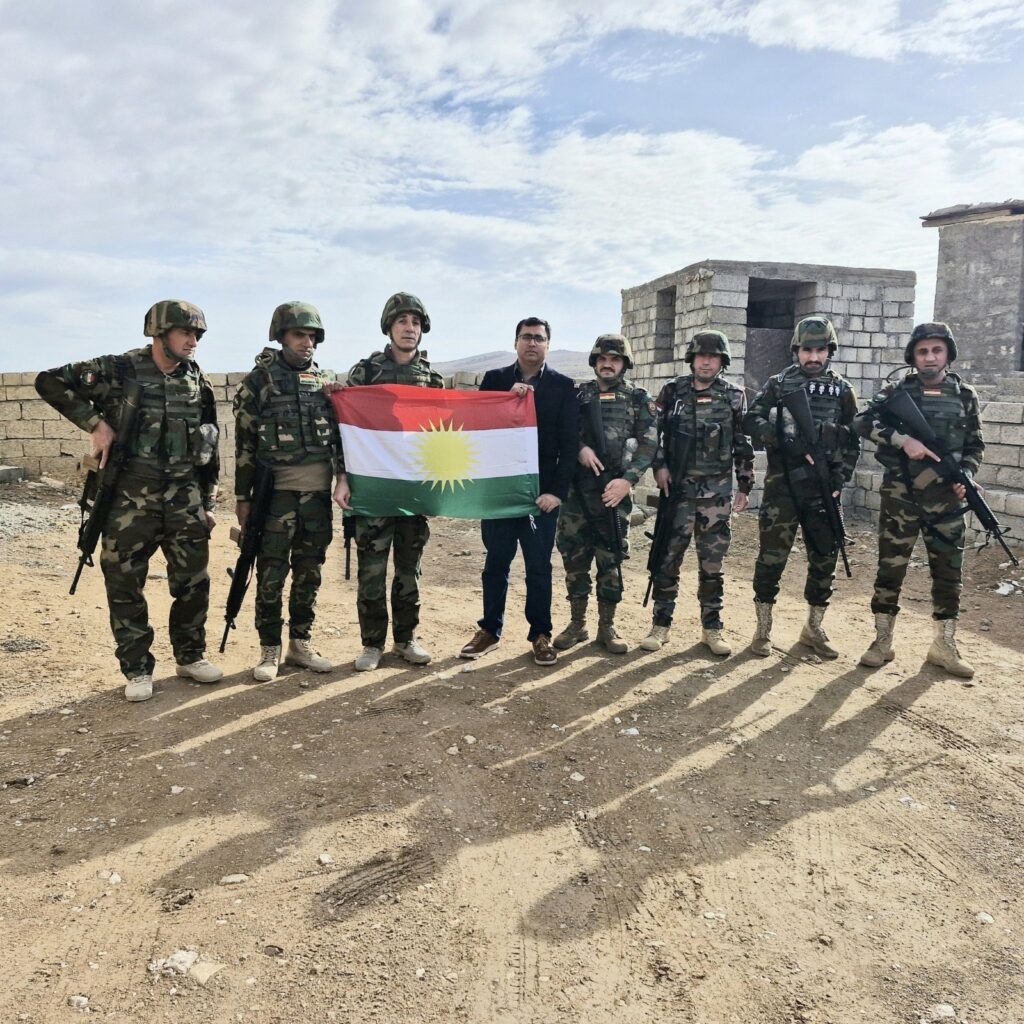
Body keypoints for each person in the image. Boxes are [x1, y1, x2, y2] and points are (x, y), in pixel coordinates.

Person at [35, 300, 222, 701]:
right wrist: (96, 424)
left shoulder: (196, 380)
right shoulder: (117, 370)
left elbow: (210, 445)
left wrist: (207, 502)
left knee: (193, 583)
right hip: (130, 498)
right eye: (185, 332)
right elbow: (49, 381)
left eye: (197, 334)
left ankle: (190, 656)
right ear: (159, 333)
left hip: (184, 498)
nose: (193, 340)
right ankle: (137, 669)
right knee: (124, 584)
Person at [854, 322, 984, 678]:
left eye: (936, 350)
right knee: (890, 569)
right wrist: (902, 440)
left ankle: (944, 645)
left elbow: (975, 446)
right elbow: (861, 422)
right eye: (922, 351)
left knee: (948, 573)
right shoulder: (896, 392)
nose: (929, 357)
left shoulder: (965, 395)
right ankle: (882, 641)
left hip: (947, 501)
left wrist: (966, 475)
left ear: (948, 354)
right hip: (901, 497)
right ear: (912, 356)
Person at [333, 292, 444, 672]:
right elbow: (343, 429)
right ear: (389, 327)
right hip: (374, 488)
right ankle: (371, 644)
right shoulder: (365, 373)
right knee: (372, 570)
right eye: (402, 321)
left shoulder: (432, 379)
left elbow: (444, 435)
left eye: (415, 322)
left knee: (409, 570)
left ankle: (406, 638)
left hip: (413, 489)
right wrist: (342, 477)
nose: (409, 328)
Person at [458, 317, 578, 665]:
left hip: (541, 496)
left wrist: (556, 493)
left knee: (539, 567)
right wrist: (504, 402)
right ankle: (489, 631)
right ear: (515, 342)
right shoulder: (494, 380)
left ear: (548, 345)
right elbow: (479, 430)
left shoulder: (563, 386)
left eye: (539, 338)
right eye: (526, 337)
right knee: (496, 562)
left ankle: (540, 634)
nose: (532, 343)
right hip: (500, 492)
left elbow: (570, 444)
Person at [233, 302, 340, 681]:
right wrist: (242, 498)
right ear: (281, 336)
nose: (306, 342)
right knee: (271, 575)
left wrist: (344, 478)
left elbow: (342, 438)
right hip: (275, 498)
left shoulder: (327, 381)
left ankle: (300, 643)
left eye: (312, 336)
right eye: (299, 334)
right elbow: (245, 443)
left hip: (317, 498)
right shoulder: (259, 381)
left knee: (309, 574)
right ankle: (269, 649)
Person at [743, 316, 860, 658]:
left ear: (830, 351)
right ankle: (763, 629)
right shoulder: (778, 384)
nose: (813, 357)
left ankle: (813, 628)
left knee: (824, 558)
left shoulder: (842, 390)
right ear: (796, 350)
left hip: (823, 491)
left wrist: (839, 479)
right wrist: (785, 440)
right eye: (807, 350)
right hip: (782, 489)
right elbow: (751, 419)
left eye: (820, 350)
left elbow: (853, 440)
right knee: (771, 558)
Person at [640, 330, 754, 656]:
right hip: (677, 495)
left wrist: (744, 486)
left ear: (722, 361)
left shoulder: (733, 396)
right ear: (692, 358)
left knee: (712, 567)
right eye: (702, 356)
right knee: (667, 561)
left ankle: (712, 628)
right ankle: (661, 625)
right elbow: (653, 435)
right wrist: (659, 467)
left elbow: (742, 444)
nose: (706, 362)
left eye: (713, 357)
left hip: (716, 497)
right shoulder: (673, 391)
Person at [551, 334, 657, 653]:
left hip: (614, 492)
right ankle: (577, 624)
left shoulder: (638, 398)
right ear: (594, 362)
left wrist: (627, 481)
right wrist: (580, 448)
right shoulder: (578, 395)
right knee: (574, 557)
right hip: (576, 493)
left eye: (614, 359)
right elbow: (560, 430)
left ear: (624, 363)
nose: (607, 364)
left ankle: (606, 626)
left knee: (610, 558)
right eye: (602, 359)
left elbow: (649, 444)